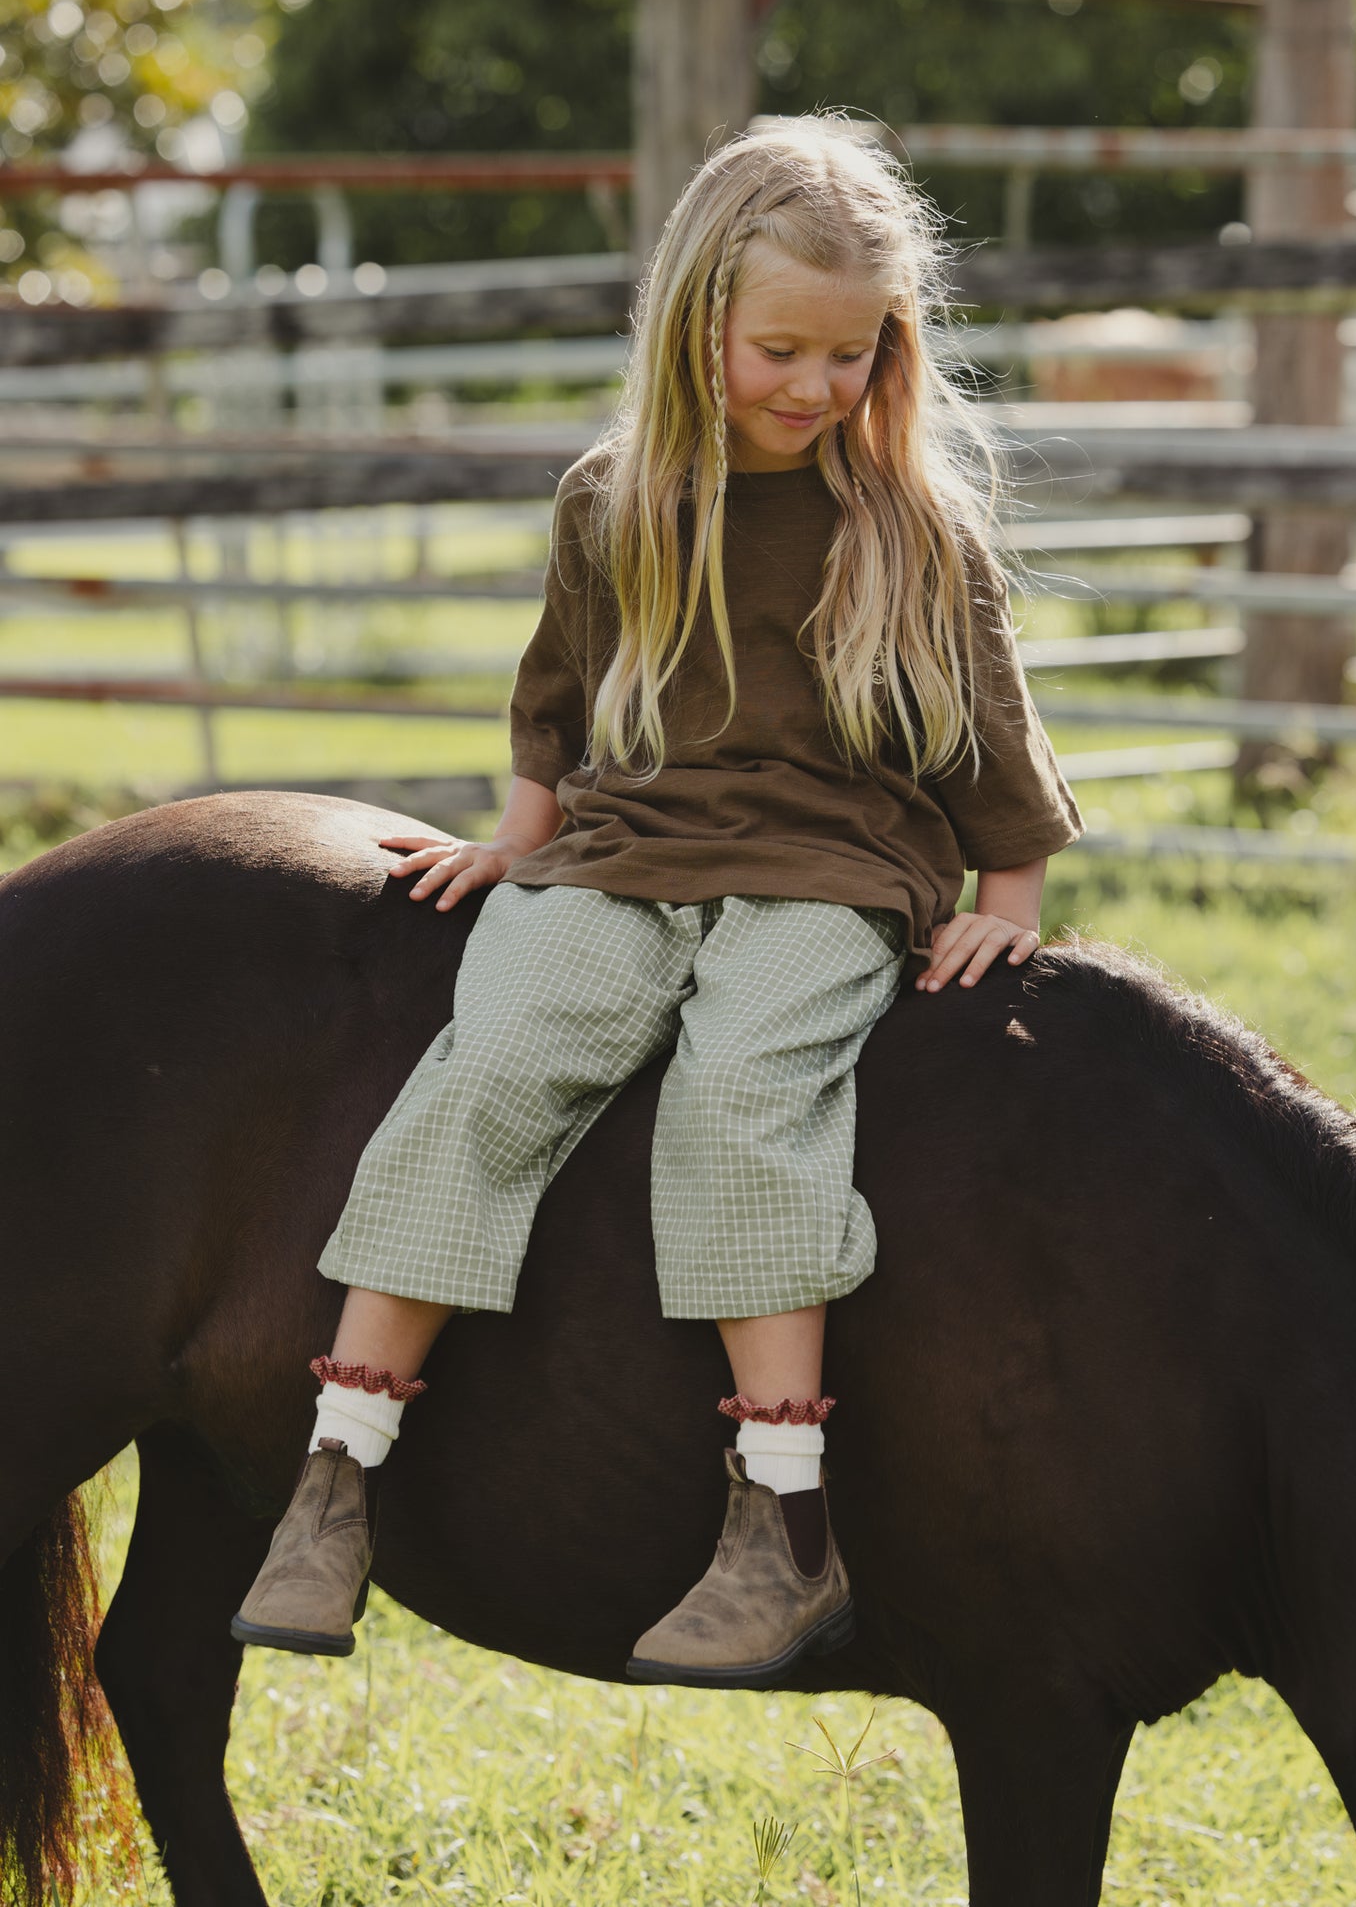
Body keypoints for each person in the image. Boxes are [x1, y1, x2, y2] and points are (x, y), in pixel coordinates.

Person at [231, 114, 1084, 1689]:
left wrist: (1008, 892)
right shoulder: (614, 501)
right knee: (487, 1067)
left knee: (744, 1099)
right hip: (624, 851)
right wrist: (516, 837)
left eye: (848, 354)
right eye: (779, 348)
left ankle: (780, 1525)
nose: (813, 386)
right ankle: (338, 1472)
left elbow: (991, 738)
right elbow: (558, 700)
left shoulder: (908, 526)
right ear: (700, 321)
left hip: (830, 872)